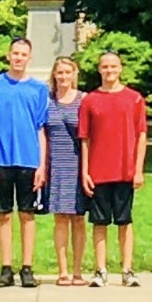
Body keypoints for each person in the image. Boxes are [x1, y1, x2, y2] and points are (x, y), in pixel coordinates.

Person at [0, 37, 50, 289]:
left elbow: (41, 129)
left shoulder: (38, 89)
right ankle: (6, 269)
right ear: (8, 56)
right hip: (1, 159)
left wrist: (42, 166)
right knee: (4, 214)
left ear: (30, 58)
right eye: (15, 53)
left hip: (29, 160)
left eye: (23, 54)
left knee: (27, 214)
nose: (19, 58)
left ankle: (27, 268)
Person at [79, 50, 147, 288]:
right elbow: (85, 138)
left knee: (124, 221)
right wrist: (85, 171)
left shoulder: (134, 99)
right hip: (98, 172)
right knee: (99, 222)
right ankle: (100, 270)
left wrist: (138, 169)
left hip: (124, 170)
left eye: (113, 66)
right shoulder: (90, 100)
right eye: (105, 67)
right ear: (99, 70)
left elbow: (141, 135)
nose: (109, 71)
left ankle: (127, 270)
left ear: (120, 69)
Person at [45, 56, 87, 285]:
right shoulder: (46, 100)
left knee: (78, 219)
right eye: (59, 72)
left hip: (79, 165)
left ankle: (78, 272)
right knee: (60, 219)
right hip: (55, 166)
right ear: (54, 74)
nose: (63, 77)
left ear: (74, 74)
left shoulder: (84, 99)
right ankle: (62, 271)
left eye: (67, 72)